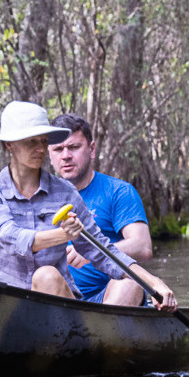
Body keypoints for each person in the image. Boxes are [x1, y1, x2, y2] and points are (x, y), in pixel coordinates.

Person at [0, 100, 177, 310]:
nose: (41, 148)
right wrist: (64, 235)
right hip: (12, 306)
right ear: (9, 145)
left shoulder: (65, 191)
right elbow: (10, 237)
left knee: (47, 275)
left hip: (59, 304)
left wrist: (152, 282)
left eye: (43, 140)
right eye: (31, 142)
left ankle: (83, 337)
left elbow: (101, 249)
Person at [48, 112, 154, 307]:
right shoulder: (39, 196)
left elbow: (143, 246)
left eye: (73, 147)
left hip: (105, 299)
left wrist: (90, 251)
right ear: (49, 154)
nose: (65, 156)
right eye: (58, 149)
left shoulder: (118, 192)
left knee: (131, 284)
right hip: (58, 300)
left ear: (92, 149)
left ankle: (102, 334)